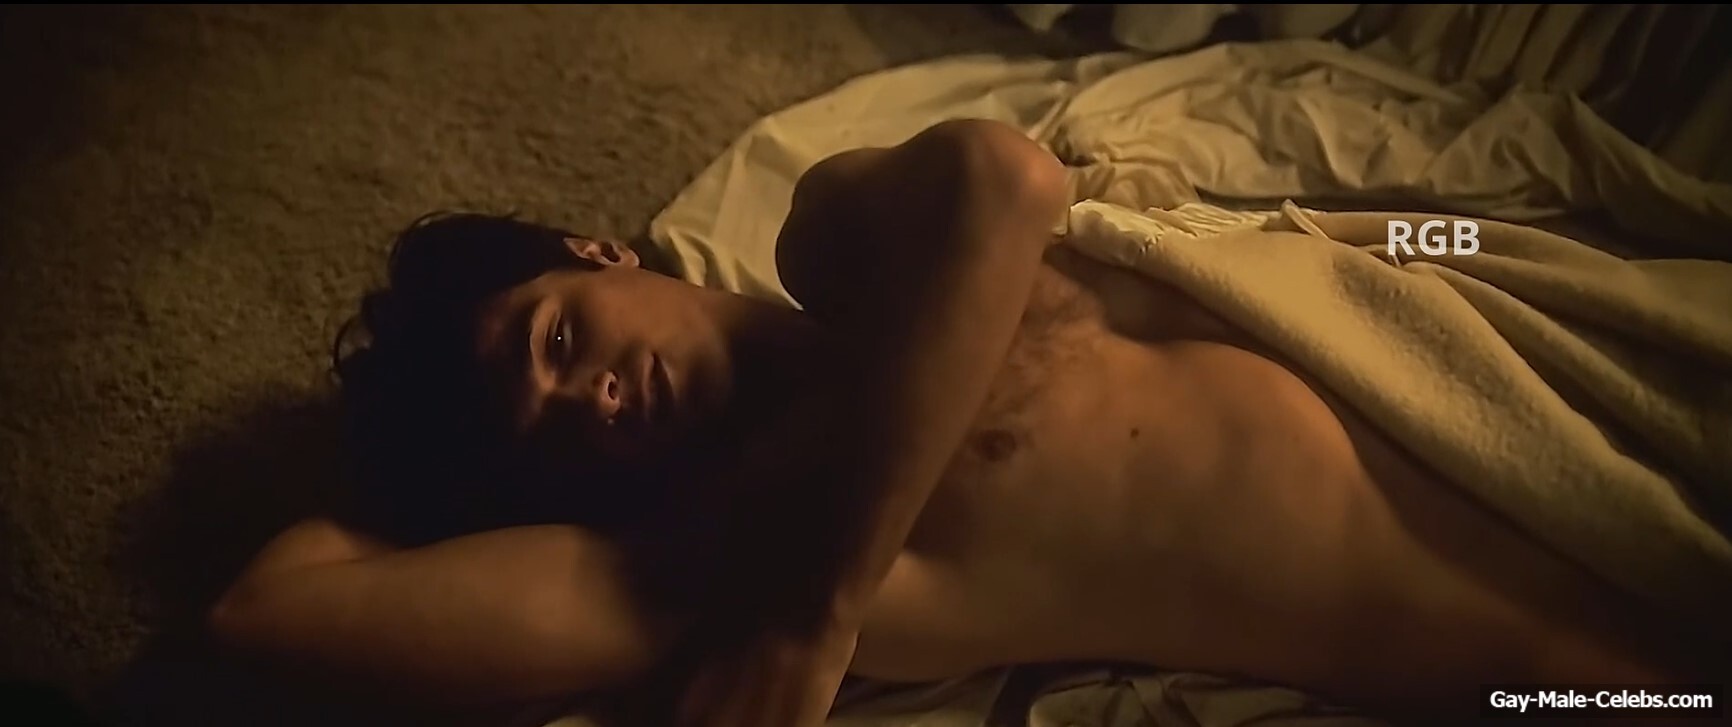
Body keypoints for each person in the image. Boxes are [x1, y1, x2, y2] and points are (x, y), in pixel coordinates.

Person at [207, 119, 1718, 727]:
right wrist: (435, 472)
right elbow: (270, 610)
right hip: (1561, 673)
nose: (585, 397)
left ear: (603, 255)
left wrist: (817, 612)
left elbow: (1011, 180)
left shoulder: (838, 249)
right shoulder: (712, 555)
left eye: (556, 341)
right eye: (544, 428)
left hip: (1528, 391)